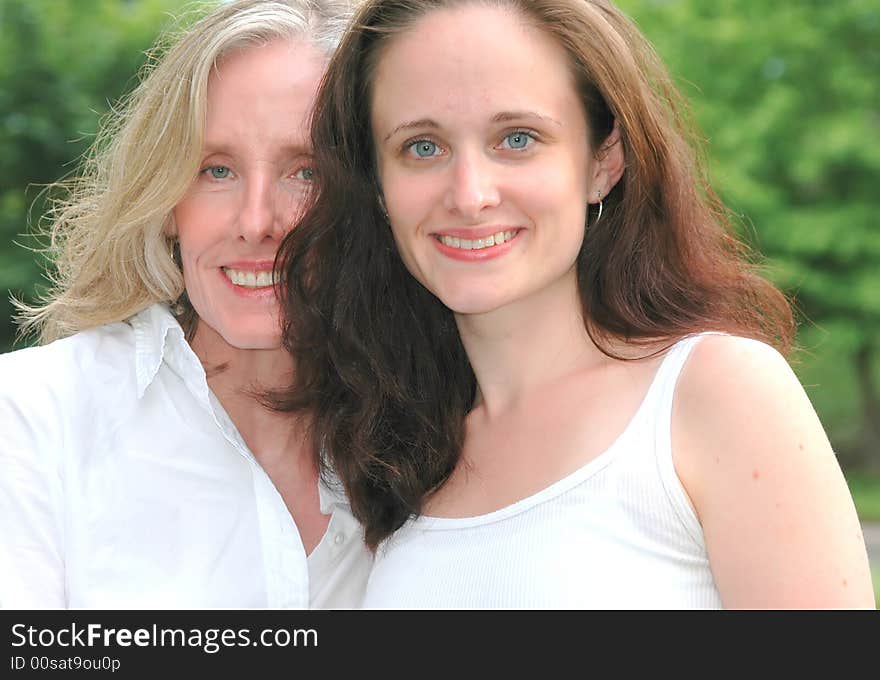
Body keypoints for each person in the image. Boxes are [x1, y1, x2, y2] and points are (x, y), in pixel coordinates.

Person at [275, 0, 875, 608]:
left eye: (517, 139)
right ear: (377, 184)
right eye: (423, 147)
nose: (470, 194)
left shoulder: (712, 395)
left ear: (602, 161)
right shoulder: (390, 453)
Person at [0, 0, 372, 608]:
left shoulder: (443, 434)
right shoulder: (32, 419)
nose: (256, 222)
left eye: (307, 171)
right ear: (167, 200)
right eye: (215, 169)